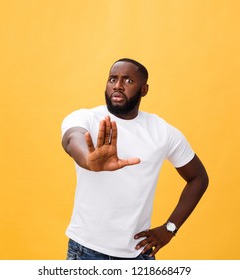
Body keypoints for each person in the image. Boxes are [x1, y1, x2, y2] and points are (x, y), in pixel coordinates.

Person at [61, 58, 209, 260]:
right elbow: (72, 138)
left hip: (140, 253)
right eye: (112, 79)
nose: (118, 86)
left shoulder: (163, 131)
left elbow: (199, 178)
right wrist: (88, 160)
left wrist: (170, 228)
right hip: (87, 251)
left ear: (144, 89)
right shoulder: (85, 118)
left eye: (128, 81)